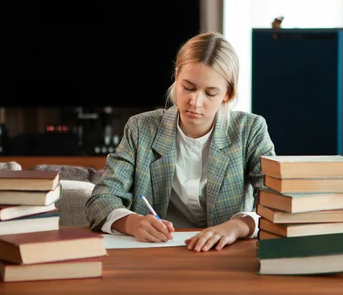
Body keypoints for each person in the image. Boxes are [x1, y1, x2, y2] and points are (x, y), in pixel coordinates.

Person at [85, 31, 276, 252]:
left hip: (226, 255)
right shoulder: (140, 129)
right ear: (176, 77)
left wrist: (237, 226)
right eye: (188, 87)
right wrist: (132, 223)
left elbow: (278, 202)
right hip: (156, 254)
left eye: (210, 93)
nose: (195, 102)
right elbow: (101, 199)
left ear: (227, 94)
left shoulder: (250, 130)